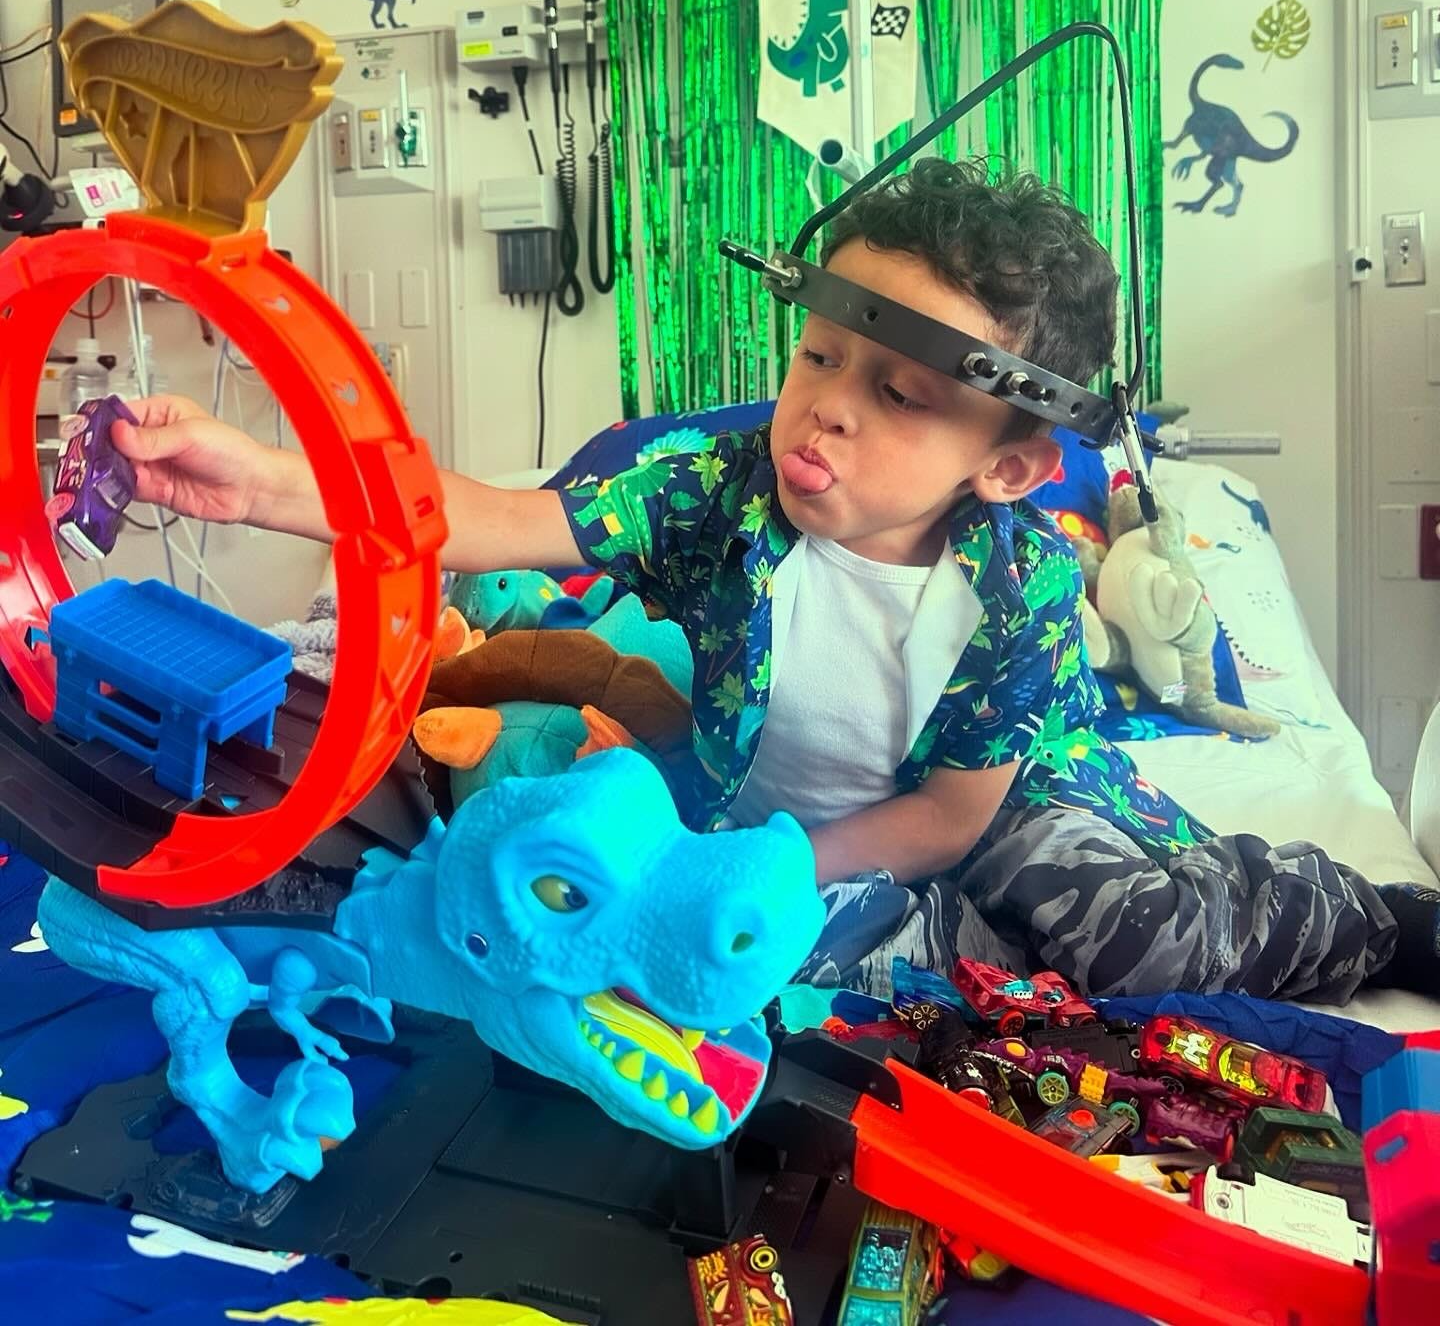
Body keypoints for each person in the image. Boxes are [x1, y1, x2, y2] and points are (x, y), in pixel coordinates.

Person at [110, 160, 1437, 1005]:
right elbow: (495, 518)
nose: (826, 409)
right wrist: (266, 482)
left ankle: (1361, 915)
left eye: (900, 397)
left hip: (986, 813)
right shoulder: (716, 486)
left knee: (1131, 942)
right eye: (819, 358)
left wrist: (767, 863)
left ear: (1010, 466)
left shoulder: (1022, 584)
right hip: (771, 806)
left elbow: (948, 817)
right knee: (631, 942)